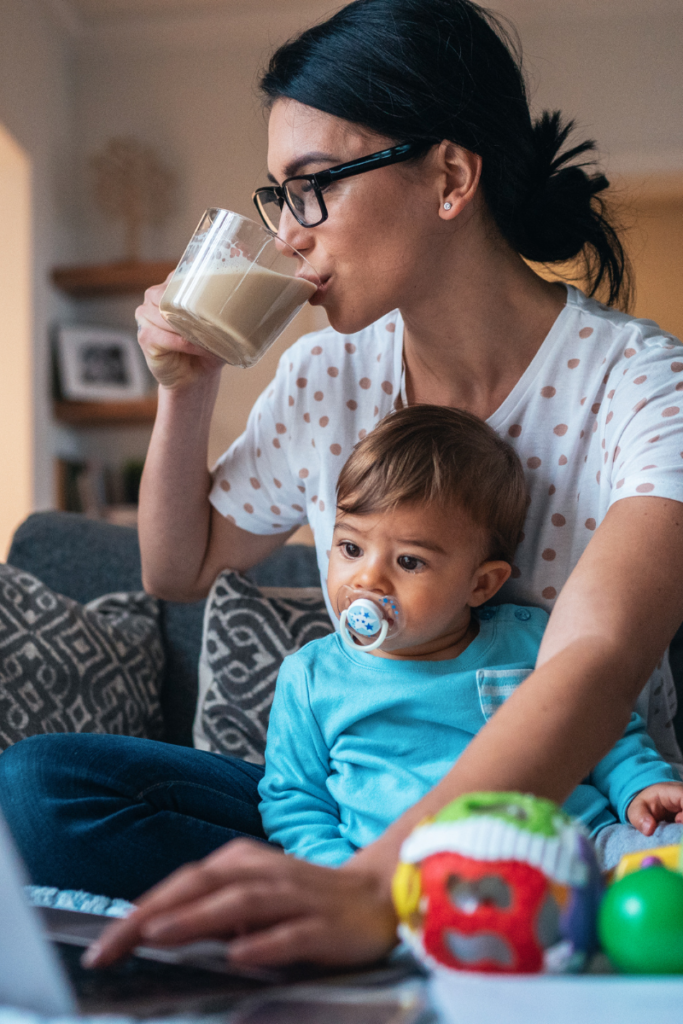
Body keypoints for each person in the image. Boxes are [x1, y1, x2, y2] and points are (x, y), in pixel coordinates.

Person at [2, 0, 683, 970]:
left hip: (565, 815)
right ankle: (359, 911)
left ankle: (397, 912)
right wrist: (186, 390)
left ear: (448, 176)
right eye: (276, 197)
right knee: (38, 787)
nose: (285, 237)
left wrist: (376, 884)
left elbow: (593, 660)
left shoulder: (638, 383)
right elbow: (176, 566)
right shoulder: (327, 376)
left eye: (311, 187)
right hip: (354, 812)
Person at [258, 406, 683, 871]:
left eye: (409, 562)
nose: (368, 578)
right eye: (351, 548)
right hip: (408, 882)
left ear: (481, 585)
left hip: (576, 850)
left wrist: (641, 785)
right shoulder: (310, 678)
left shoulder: (532, 640)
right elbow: (295, 804)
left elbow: (602, 730)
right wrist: (340, 881)